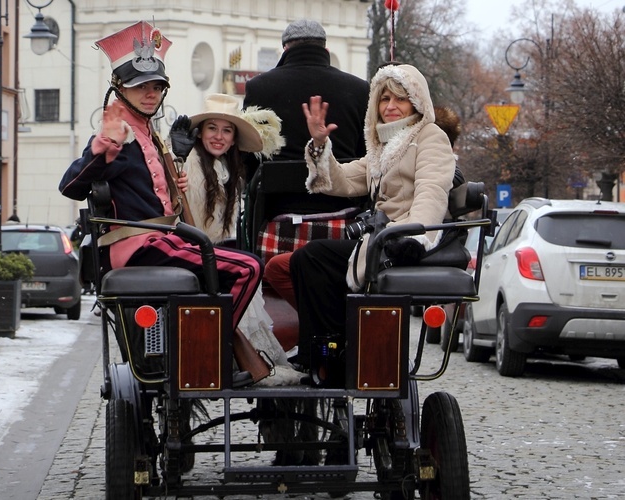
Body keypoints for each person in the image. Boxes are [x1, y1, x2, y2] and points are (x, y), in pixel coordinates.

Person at [58, 21, 264, 386]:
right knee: (247, 269)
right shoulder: (120, 134)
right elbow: (71, 186)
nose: (150, 94)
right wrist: (103, 147)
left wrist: (174, 181)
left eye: (156, 86)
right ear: (119, 88)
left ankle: (202, 348)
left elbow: (148, 191)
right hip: (141, 245)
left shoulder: (147, 132)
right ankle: (208, 354)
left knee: (231, 270)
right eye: (140, 86)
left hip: (162, 240)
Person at [289, 63, 457, 372]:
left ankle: (330, 354)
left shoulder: (429, 136)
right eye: (384, 99)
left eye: (400, 99)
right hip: (382, 240)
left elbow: (431, 192)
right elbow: (342, 180)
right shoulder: (385, 146)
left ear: (416, 103)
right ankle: (329, 349)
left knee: (313, 259)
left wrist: (414, 236)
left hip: (402, 242)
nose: (391, 106)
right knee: (305, 260)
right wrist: (319, 146)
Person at [174, 93, 302, 385]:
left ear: (233, 139)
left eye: (227, 130)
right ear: (200, 132)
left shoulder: (227, 170)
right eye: (212, 128)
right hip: (193, 252)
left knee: (248, 264)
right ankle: (246, 360)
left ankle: (257, 360)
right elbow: (181, 207)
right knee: (248, 266)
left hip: (213, 250)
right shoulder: (189, 163)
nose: (219, 136)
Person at [243, 19, 371, 310]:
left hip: (277, 223)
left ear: (286, 48)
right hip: (345, 225)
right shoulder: (360, 89)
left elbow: (250, 160)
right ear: (325, 48)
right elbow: (368, 158)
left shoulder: (259, 88)